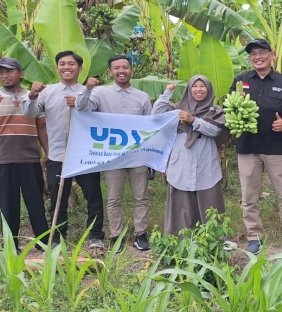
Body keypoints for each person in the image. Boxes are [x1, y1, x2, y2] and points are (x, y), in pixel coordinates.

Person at [22, 51, 105, 247]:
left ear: (80, 68)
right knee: (57, 199)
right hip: (58, 155)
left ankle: (95, 236)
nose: (66, 67)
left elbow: (87, 109)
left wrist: (82, 95)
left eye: (71, 64)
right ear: (57, 67)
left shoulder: (89, 91)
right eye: (62, 63)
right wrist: (32, 95)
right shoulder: (47, 92)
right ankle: (58, 237)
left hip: (85, 155)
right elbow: (30, 113)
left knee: (93, 196)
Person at [231, 39, 282, 254]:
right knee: (249, 195)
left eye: (262, 52)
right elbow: (230, 108)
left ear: (272, 54)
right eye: (253, 54)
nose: (257, 57)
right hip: (247, 147)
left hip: (276, 147)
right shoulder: (240, 80)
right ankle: (254, 237)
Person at [76, 55, 153, 251]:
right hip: (111, 156)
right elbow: (82, 108)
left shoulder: (142, 97)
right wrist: (87, 89)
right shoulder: (100, 93)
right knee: (114, 198)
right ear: (110, 72)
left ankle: (140, 234)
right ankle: (116, 235)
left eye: (125, 67)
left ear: (131, 71)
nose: (121, 71)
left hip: (137, 155)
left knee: (141, 196)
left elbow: (150, 126)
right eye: (116, 67)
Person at [152, 76, 227, 235]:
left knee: (210, 201)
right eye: (195, 86)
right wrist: (166, 94)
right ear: (189, 89)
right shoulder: (177, 109)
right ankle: (180, 239)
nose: (199, 89)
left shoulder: (214, 111)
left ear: (208, 90)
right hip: (182, 160)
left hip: (206, 160)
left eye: (203, 86)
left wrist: (193, 120)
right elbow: (156, 115)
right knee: (182, 203)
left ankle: (212, 240)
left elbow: (214, 130)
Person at [0, 58, 49, 249]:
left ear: (21, 74)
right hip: (3, 160)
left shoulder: (34, 96)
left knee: (35, 202)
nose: (5, 75)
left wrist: (48, 153)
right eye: (2, 72)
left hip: (30, 159)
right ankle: (12, 244)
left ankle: (43, 242)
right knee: (8, 205)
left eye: (9, 71)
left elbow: (42, 128)